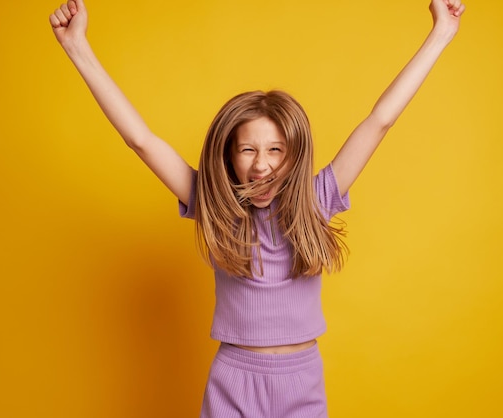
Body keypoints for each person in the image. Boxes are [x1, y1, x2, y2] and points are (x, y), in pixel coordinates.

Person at [49, 0, 465, 416]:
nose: (261, 164)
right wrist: (77, 48)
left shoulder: (316, 199)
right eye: (248, 149)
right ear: (229, 155)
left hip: (302, 379)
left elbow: (380, 120)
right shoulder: (215, 205)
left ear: (294, 155)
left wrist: (441, 34)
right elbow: (141, 140)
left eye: (275, 150)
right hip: (234, 378)